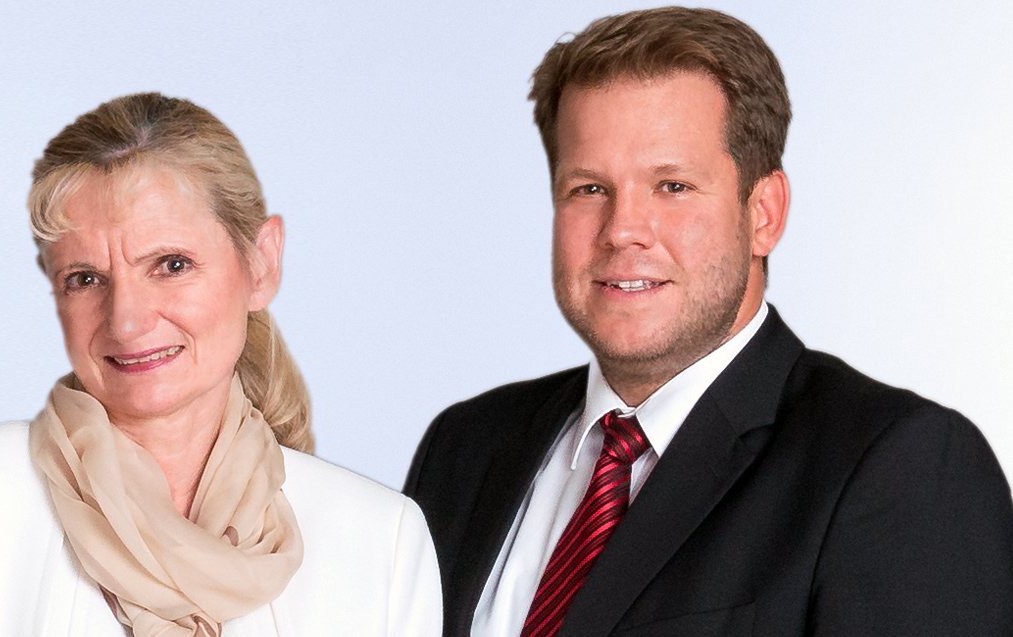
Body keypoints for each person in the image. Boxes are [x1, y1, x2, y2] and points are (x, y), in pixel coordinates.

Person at [404, 7, 1013, 637]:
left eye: (672, 186)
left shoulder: (897, 469)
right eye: (589, 189)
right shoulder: (464, 449)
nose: (622, 230)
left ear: (764, 213)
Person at [0, 92, 441, 636]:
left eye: (171, 265)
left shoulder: (381, 544)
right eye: (84, 278)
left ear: (262, 264)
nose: (127, 321)